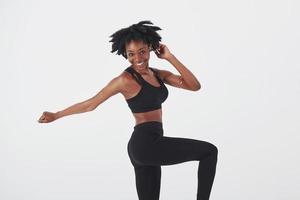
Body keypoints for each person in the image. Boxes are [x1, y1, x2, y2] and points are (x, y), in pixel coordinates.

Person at [38, 20, 218, 200]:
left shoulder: (158, 74)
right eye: (131, 54)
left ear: (150, 48)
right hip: (145, 144)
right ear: (125, 54)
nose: (138, 59)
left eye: (142, 52)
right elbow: (91, 104)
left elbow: (194, 86)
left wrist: (170, 57)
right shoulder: (125, 80)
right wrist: (56, 115)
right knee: (209, 152)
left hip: (149, 144)